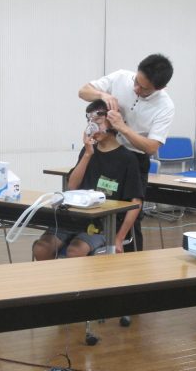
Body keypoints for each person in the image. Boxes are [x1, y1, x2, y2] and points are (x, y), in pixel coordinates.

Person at [78, 53, 174, 250]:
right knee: (99, 203)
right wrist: (102, 95)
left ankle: (127, 253)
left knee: (130, 213)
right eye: (136, 82)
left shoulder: (165, 106)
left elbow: (151, 147)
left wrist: (123, 128)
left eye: (144, 88)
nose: (136, 89)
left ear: (161, 87)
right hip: (105, 151)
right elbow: (83, 91)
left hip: (134, 159)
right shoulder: (121, 77)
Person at [32, 100, 143, 261]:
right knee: (42, 248)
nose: (92, 126)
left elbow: (136, 202)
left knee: (75, 251)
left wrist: (119, 238)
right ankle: (54, 277)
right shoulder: (88, 151)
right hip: (76, 218)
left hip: (105, 224)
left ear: (113, 122)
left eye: (98, 121)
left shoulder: (127, 159)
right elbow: (72, 185)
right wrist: (88, 154)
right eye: (89, 121)